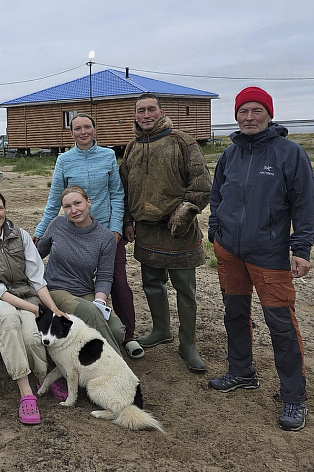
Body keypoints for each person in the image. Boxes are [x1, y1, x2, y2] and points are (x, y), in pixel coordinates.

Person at [207, 86, 314, 432]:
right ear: (236, 116)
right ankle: (242, 372)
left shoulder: (290, 153)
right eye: (243, 111)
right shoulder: (230, 154)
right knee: (235, 314)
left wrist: (300, 249)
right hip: (230, 252)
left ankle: (293, 397)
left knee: (281, 325)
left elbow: (304, 204)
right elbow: (217, 195)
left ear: (269, 114)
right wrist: (215, 231)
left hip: (269, 254)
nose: (249, 117)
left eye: (257, 111)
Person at [34, 113, 143, 359]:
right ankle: (89, 337)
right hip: (74, 230)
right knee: (78, 283)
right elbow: (55, 201)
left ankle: (129, 336)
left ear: (94, 129)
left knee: (119, 284)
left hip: (104, 232)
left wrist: (115, 228)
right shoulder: (64, 160)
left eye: (87, 127)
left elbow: (117, 193)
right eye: (77, 128)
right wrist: (39, 234)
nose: (82, 132)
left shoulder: (107, 156)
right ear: (71, 133)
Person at [0, 189, 69, 425]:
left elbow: (37, 278)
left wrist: (51, 307)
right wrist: (36, 310)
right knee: (8, 319)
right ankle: (25, 391)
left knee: (30, 334)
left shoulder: (21, 236)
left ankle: (42, 378)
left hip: (24, 294)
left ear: (5, 210)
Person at [119, 93, 212, 374]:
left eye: (151, 109)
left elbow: (201, 183)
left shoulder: (182, 141)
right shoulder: (132, 147)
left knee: (185, 290)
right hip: (146, 230)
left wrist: (183, 212)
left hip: (177, 231)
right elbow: (124, 190)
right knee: (152, 284)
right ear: (135, 115)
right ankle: (161, 330)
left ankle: (188, 344)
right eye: (141, 111)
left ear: (161, 111)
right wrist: (127, 220)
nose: (146, 115)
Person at [36, 186, 126, 355]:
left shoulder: (105, 237)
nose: (74, 210)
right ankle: (117, 367)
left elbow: (105, 276)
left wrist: (100, 301)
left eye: (77, 203)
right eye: (67, 207)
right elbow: (37, 254)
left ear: (89, 202)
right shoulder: (57, 225)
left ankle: (86, 357)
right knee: (90, 313)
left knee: (116, 330)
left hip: (85, 291)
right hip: (56, 289)